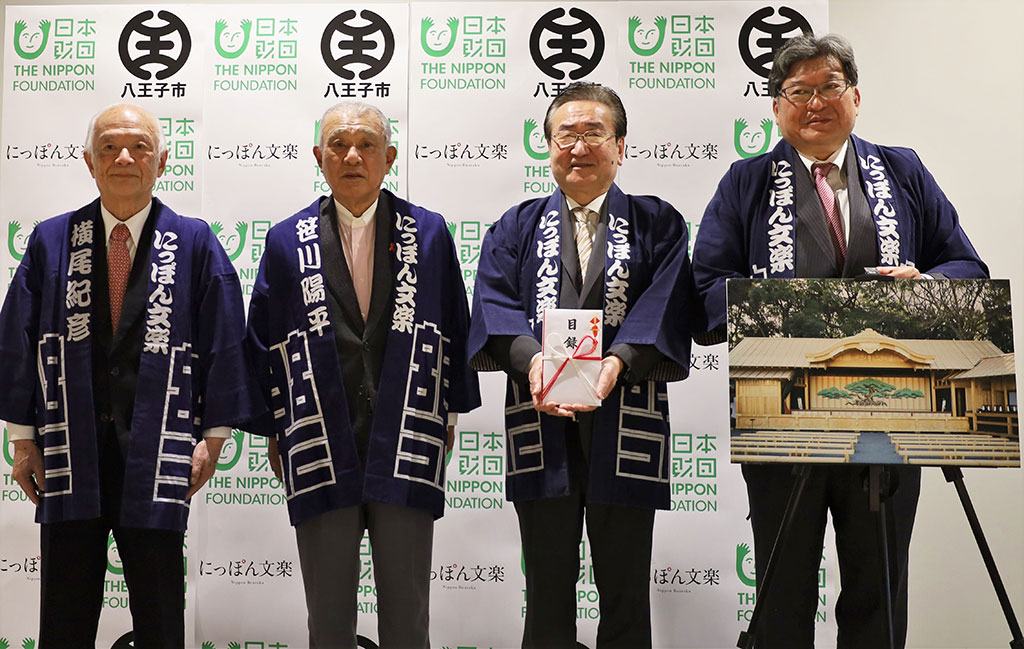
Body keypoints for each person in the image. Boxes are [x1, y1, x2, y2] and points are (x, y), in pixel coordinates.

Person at [691, 34, 988, 649]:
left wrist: (923, 285)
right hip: (782, 414)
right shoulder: (746, 182)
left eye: (829, 87)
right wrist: (771, 305)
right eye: (798, 91)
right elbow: (703, 292)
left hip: (890, 415)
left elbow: (967, 269)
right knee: (782, 593)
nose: (815, 102)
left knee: (878, 586)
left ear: (855, 96)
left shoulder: (901, 170)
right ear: (776, 106)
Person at [0, 103, 261, 648]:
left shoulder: (194, 243)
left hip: (158, 453)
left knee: (161, 615)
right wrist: (23, 442)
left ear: (163, 161)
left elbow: (225, 343)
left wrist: (212, 440)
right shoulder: (51, 241)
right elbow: (17, 343)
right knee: (64, 620)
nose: (125, 157)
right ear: (90, 164)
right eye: (110, 148)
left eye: (139, 147)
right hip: (68, 454)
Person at [244, 101, 480, 649]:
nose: (352, 156)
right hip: (319, 439)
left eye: (367, 145)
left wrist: (444, 412)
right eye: (338, 145)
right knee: (327, 621)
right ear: (318, 158)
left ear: (390, 156)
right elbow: (262, 337)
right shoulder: (287, 240)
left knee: (407, 617)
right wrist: (277, 427)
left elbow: (454, 324)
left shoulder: (429, 232)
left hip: (407, 436)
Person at [468, 82, 694, 648]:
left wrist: (617, 362)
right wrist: (535, 361)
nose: (579, 146)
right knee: (546, 586)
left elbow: (663, 303)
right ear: (546, 146)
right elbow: (494, 306)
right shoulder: (516, 226)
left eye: (595, 133)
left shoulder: (657, 224)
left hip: (626, 416)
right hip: (539, 410)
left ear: (621, 146)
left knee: (624, 587)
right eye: (566, 134)